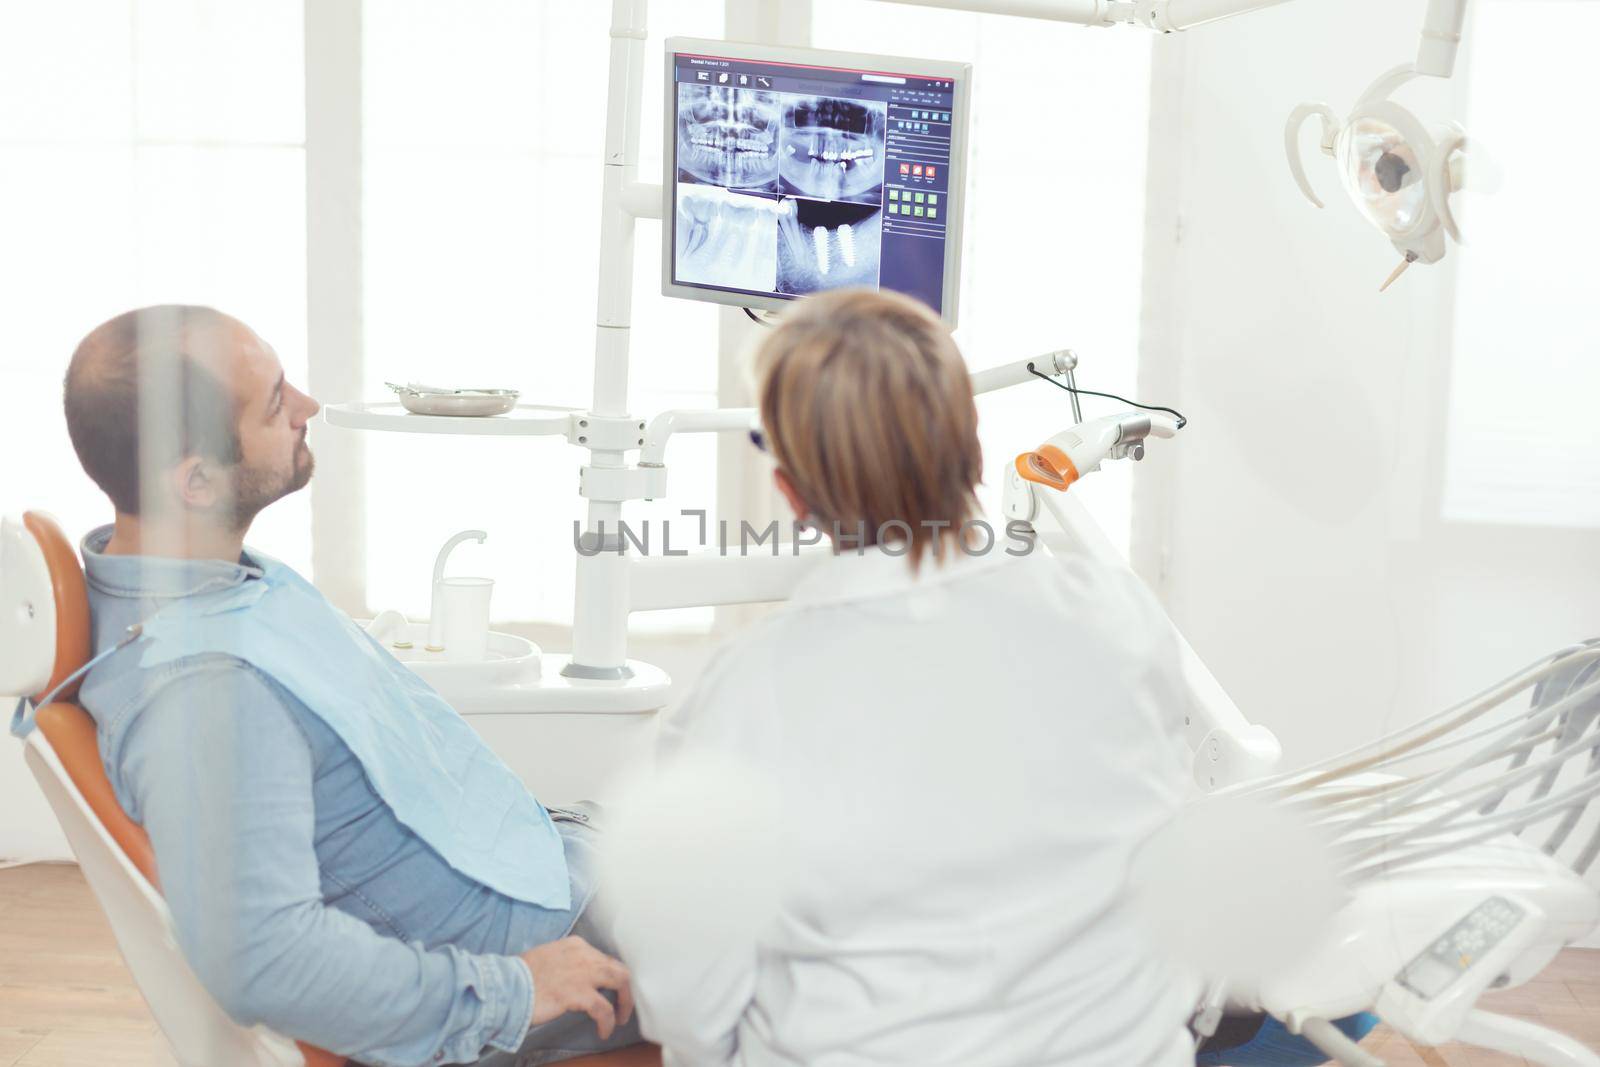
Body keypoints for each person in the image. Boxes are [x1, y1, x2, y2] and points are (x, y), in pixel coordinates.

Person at [615, 288, 1381, 1067]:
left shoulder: (739, 700)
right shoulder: (1113, 613)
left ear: (793, 495)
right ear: (976, 445)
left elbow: (691, 1006)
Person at [57, 306, 654, 1067]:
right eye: (276, 403)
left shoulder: (190, 582)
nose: (307, 407)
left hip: (552, 863)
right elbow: (265, 958)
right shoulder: (208, 694)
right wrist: (516, 987)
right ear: (197, 479)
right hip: (550, 943)